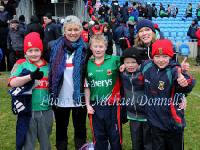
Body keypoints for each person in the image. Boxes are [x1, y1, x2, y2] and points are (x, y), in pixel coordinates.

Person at [141, 39, 195, 150]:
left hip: (173, 124)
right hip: (155, 123)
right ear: (152, 57)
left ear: (170, 56)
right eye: (157, 56)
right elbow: (133, 69)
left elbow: (188, 82)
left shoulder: (173, 70)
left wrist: (185, 81)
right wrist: (123, 67)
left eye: (165, 56)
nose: (161, 60)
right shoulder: (146, 67)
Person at [48, 15, 88, 150]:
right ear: (64, 30)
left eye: (76, 29)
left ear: (81, 30)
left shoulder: (86, 49)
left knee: (80, 128)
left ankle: (81, 147)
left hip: (79, 97)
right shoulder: (54, 46)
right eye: (69, 29)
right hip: (60, 97)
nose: (73, 33)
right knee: (61, 128)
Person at [9, 32, 53, 150]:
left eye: (37, 50)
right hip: (28, 111)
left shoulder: (48, 66)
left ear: (41, 50)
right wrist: (30, 77)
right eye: (30, 51)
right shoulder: (21, 64)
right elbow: (12, 83)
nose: (34, 54)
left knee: (45, 143)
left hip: (46, 109)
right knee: (28, 143)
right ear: (25, 52)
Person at [85, 34, 122, 150]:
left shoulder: (114, 60)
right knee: (98, 136)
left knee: (115, 136)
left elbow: (129, 64)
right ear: (90, 47)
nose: (98, 49)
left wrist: (124, 65)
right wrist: (87, 104)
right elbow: (86, 86)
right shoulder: (87, 64)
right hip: (95, 106)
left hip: (113, 105)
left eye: (101, 47)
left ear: (106, 47)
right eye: (95, 46)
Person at [120, 47, 152, 150]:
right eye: (127, 62)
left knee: (148, 143)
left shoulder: (145, 73)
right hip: (132, 115)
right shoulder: (123, 74)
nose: (130, 65)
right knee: (136, 142)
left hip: (147, 115)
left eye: (133, 62)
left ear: (139, 62)